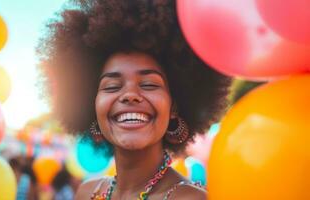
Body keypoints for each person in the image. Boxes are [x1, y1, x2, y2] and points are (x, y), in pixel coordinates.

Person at [37, 0, 231, 199]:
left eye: (149, 84)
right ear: (91, 105)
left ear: (174, 106)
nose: (130, 95)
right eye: (112, 86)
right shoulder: (87, 192)